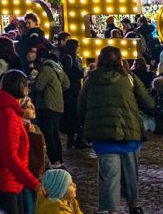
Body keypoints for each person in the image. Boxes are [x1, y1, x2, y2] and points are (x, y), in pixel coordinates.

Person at [77, 45, 154, 214]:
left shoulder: (91, 80)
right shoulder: (130, 78)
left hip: (102, 137)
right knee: (131, 173)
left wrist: (87, 126)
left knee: (109, 176)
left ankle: (113, 210)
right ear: (120, 60)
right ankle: (133, 205)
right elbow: (148, 103)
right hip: (129, 133)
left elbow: (80, 107)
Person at [0, 70, 42, 214]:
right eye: (26, 85)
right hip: (4, 181)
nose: (28, 89)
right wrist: (33, 183)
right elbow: (9, 155)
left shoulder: (5, 110)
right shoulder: (9, 114)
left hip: (3, 180)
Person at [27, 46, 68, 169]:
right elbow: (67, 84)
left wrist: (31, 84)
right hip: (58, 104)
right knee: (55, 133)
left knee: (49, 134)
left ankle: (54, 159)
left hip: (47, 105)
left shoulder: (46, 69)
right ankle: (59, 159)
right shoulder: (58, 68)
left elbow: (38, 86)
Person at [57, 39, 85, 150]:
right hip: (71, 90)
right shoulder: (69, 58)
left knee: (73, 113)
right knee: (73, 112)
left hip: (72, 89)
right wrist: (81, 73)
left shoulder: (71, 58)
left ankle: (73, 138)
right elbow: (68, 73)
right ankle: (74, 138)